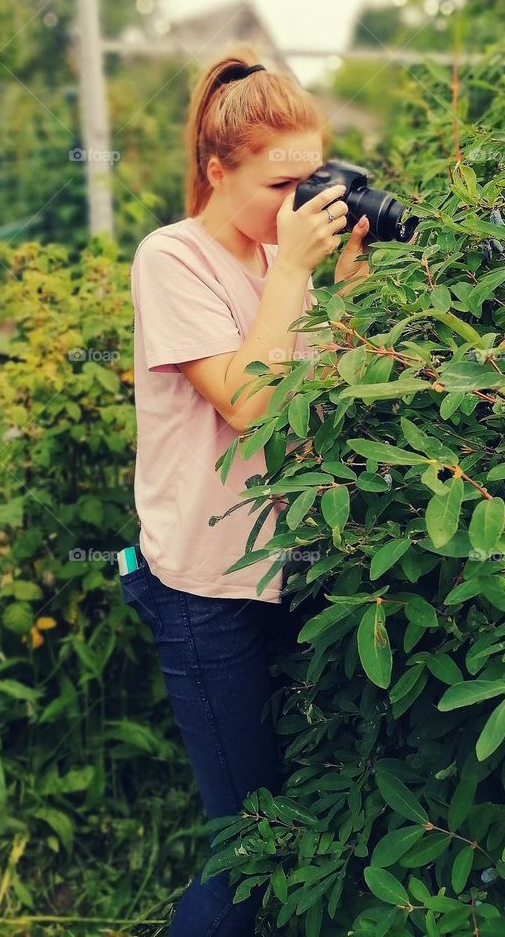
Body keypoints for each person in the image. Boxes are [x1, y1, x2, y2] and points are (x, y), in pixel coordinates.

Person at [125, 55, 371, 935]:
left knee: (294, 808)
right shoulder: (172, 258)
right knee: (247, 849)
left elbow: (325, 396)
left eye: (312, 180)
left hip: (287, 568)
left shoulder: (279, 256)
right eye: (279, 185)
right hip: (207, 586)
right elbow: (249, 402)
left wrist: (350, 291)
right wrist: (294, 274)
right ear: (215, 169)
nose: (299, 203)